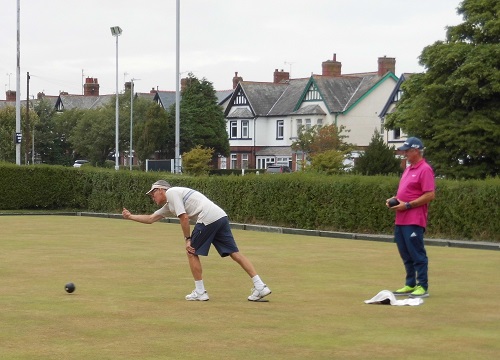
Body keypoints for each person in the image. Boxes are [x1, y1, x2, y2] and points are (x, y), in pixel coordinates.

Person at [122, 180, 272, 302]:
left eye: (153, 192)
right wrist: (130, 216)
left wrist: (188, 239)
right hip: (220, 216)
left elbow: (184, 217)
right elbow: (150, 219)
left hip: (207, 217)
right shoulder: (169, 205)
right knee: (234, 253)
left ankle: (200, 292)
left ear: (162, 189)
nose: (152, 196)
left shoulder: (172, 192)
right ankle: (260, 285)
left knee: (191, 251)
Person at [386, 137, 435, 298]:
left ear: (416, 151)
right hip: (401, 218)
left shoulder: (425, 169)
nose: (404, 153)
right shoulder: (409, 168)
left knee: (416, 253)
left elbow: (429, 195)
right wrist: (394, 200)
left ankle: (422, 286)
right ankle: (410, 284)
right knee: (405, 253)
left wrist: (407, 205)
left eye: (407, 151)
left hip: (414, 218)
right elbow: (406, 192)